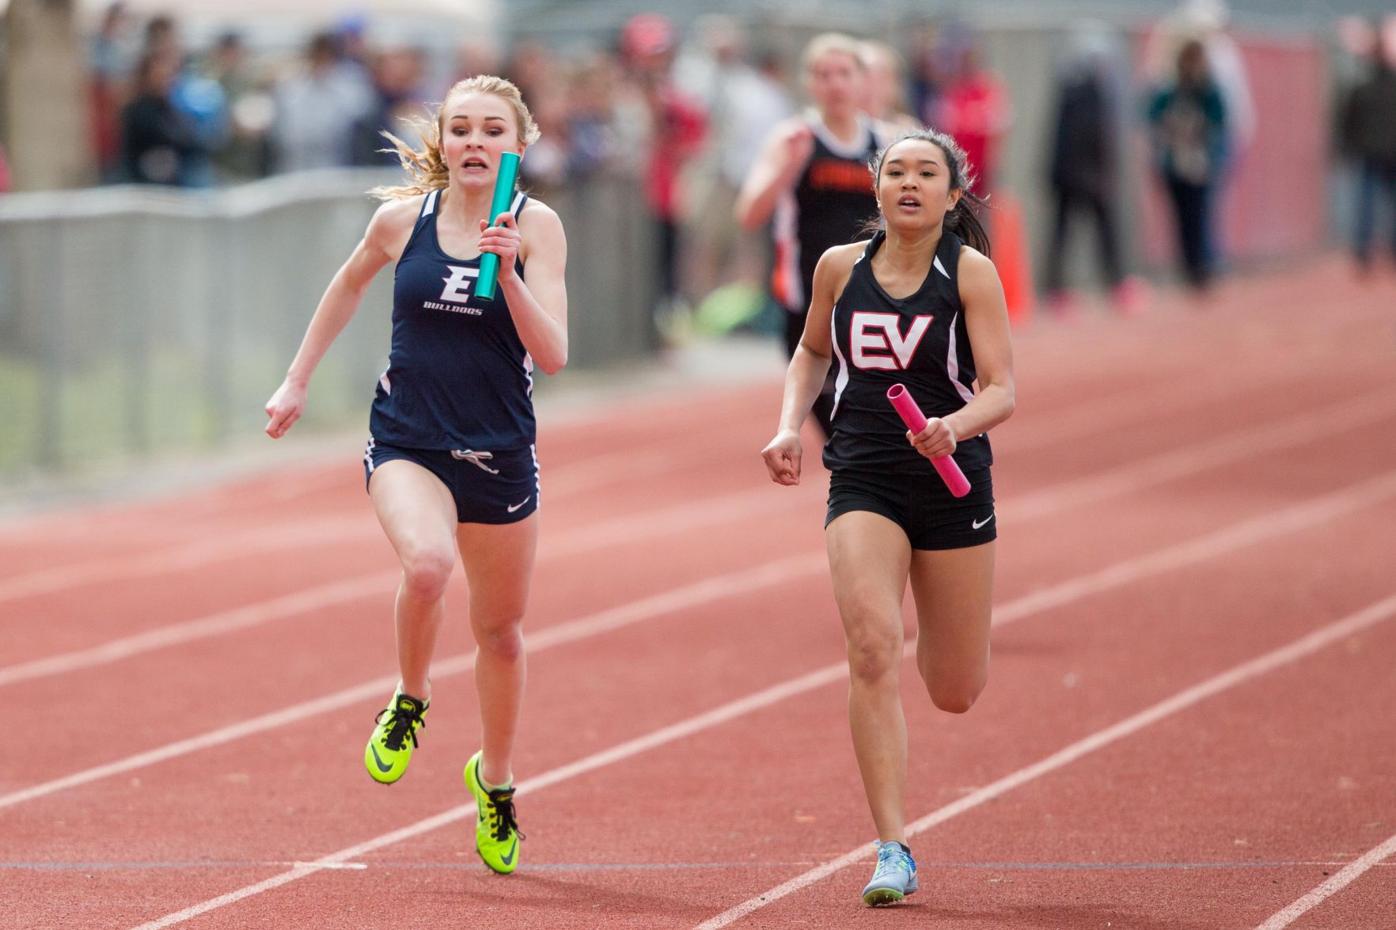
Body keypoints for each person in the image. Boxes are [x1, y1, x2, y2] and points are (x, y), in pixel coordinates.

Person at [263, 75, 568, 876]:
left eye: (491, 130)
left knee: (500, 633)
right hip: (409, 439)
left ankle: (494, 781)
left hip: (500, 448)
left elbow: (556, 354)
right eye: (459, 128)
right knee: (428, 566)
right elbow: (348, 283)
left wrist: (509, 276)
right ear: (441, 142)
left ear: (517, 145)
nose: (474, 142)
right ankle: (411, 695)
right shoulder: (403, 221)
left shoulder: (537, 229)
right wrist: (296, 380)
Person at [760, 128, 1015, 907]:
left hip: (950, 482)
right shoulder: (840, 268)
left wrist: (957, 426)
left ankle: (946, 682)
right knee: (872, 645)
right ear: (876, 187)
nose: (909, 183)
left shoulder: (969, 275)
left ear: (951, 193)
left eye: (925, 173)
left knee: (953, 688)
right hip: (863, 476)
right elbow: (809, 352)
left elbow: (1003, 388)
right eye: (895, 170)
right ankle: (892, 848)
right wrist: (786, 423)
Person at [737, 33, 887, 437]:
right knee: (835, 423)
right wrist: (791, 167)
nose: (834, 84)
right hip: (808, 297)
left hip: (873, 297)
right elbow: (749, 214)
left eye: (843, 73)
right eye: (823, 74)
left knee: (871, 416)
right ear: (808, 83)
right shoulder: (792, 139)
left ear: (861, 80)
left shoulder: (885, 143)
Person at [1147, 39, 1228, 291]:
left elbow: (1219, 125)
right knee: (1182, 218)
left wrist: (1211, 157)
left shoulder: (1209, 92)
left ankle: (1203, 266)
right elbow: (1152, 119)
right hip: (1175, 165)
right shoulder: (1169, 91)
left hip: (1200, 164)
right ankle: (1189, 268)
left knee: (1201, 215)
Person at [1337, 23, 1396, 275]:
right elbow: (1347, 121)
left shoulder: (1360, 87)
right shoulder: (1365, 87)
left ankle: (1363, 252)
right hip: (1388, 153)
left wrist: (1347, 148)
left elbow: (1346, 122)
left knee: (1366, 204)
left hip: (1369, 152)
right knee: (1381, 204)